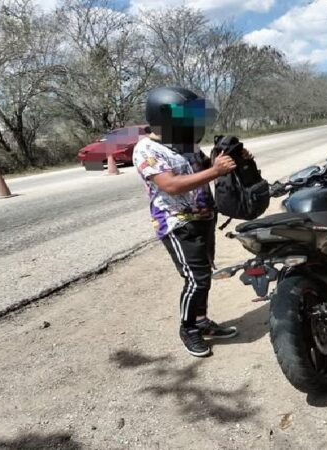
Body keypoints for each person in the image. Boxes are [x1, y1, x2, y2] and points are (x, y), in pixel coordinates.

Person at [132, 86, 251, 357]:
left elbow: (203, 167)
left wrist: (231, 159)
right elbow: (171, 185)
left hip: (204, 218)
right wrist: (215, 171)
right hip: (177, 224)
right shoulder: (146, 149)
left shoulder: (186, 142)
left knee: (204, 276)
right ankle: (188, 328)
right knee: (196, 279)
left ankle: (202, 321)